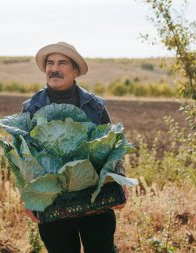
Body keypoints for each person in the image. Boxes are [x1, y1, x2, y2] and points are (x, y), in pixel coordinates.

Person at [22, 42, 128, 253]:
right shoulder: (32, 107)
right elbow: (26, 156)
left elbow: (112, 143)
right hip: (53, 197)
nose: (54, 68)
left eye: (62, 63)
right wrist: (29, 196)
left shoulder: (95, 105)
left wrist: (120, 178)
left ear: (75, 71)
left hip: (95, 194)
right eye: (50, 63)